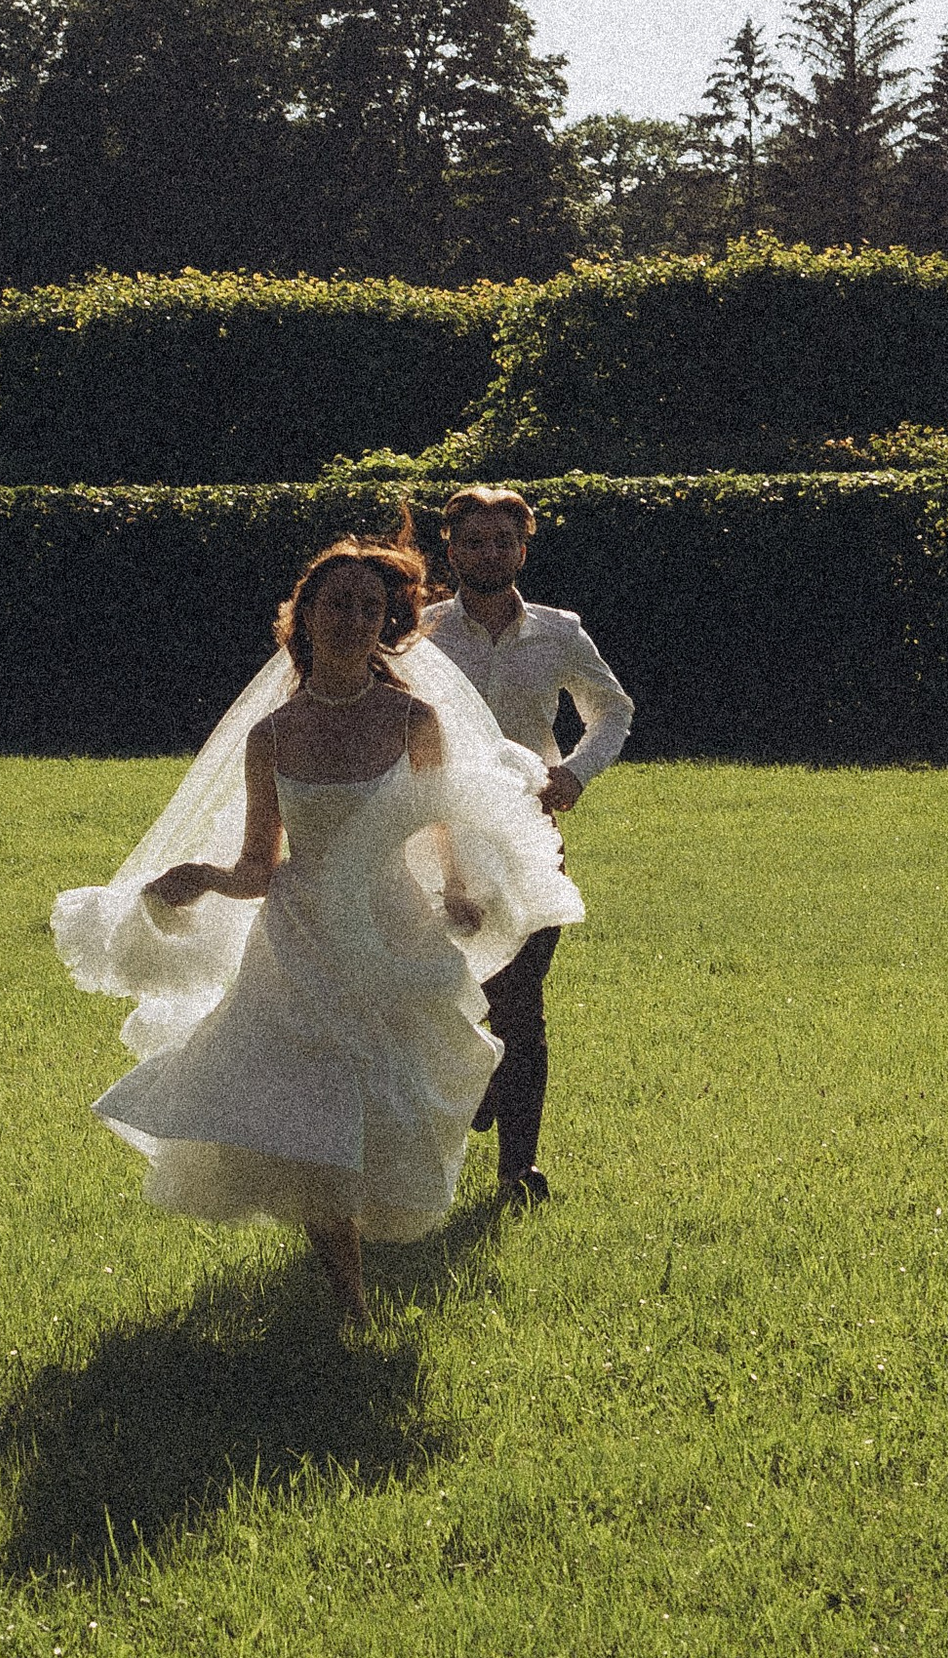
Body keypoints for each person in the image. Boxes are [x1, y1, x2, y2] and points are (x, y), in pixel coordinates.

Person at [53, 530, 582, 1327]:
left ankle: (365, 1252)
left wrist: (464, 892)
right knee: (307, 1105)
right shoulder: (271, 737)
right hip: (300, 938)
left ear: (388, 622)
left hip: (391, 927)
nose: (354, 620)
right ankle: (351, 1302)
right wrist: (195, 879)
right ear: (304, 617)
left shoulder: (414, 719)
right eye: (338, 605)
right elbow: (258, 868)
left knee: (394, 1100)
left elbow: (441, 826)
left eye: (372, 607)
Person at [418, 486, 634, 1207]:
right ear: (450, 550)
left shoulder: (558, 631)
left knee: (521, 1000)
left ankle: (519, 1170)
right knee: (453, 994)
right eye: (474, 541)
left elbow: (613, 709)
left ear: (523, 547)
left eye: (502, 541)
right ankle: (476, 1081)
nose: (489, 553)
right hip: (436, 841)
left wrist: (574, 772)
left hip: (529, 839)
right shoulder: (419, 636)